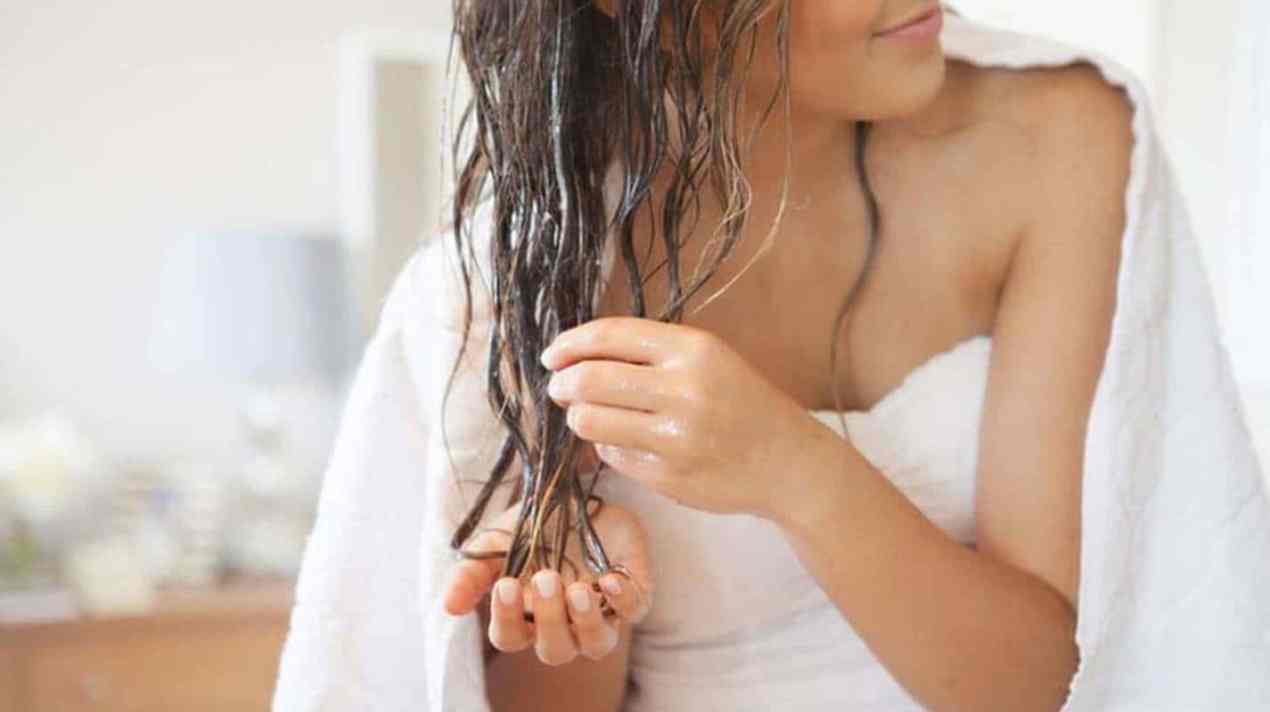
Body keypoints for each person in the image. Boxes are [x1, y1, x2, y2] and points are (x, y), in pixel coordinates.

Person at [272, 4, 1270, 711]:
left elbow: (1042, 687)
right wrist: (582, 619)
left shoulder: (1060, 136)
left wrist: (793, 469)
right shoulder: (518, 273)